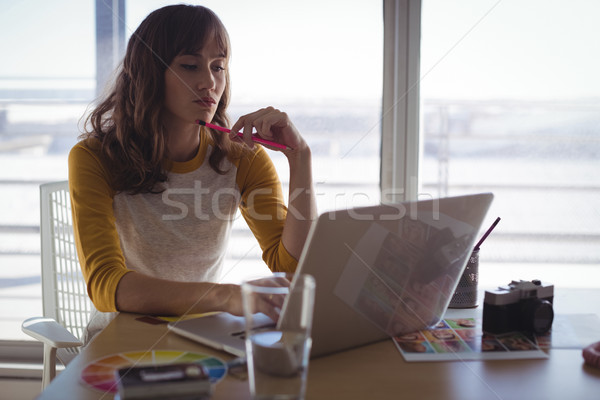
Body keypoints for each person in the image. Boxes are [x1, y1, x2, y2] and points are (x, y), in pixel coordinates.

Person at [69, 4, 317, 343]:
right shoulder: (93, 158)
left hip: (202, 336)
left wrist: (299, 158)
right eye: (190, 65)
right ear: (150, 72)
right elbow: (106, 285)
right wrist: (226, 296)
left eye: (219, 66)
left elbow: (292, 266)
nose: (209, 82)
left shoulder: (242, 158)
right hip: (120, 339)